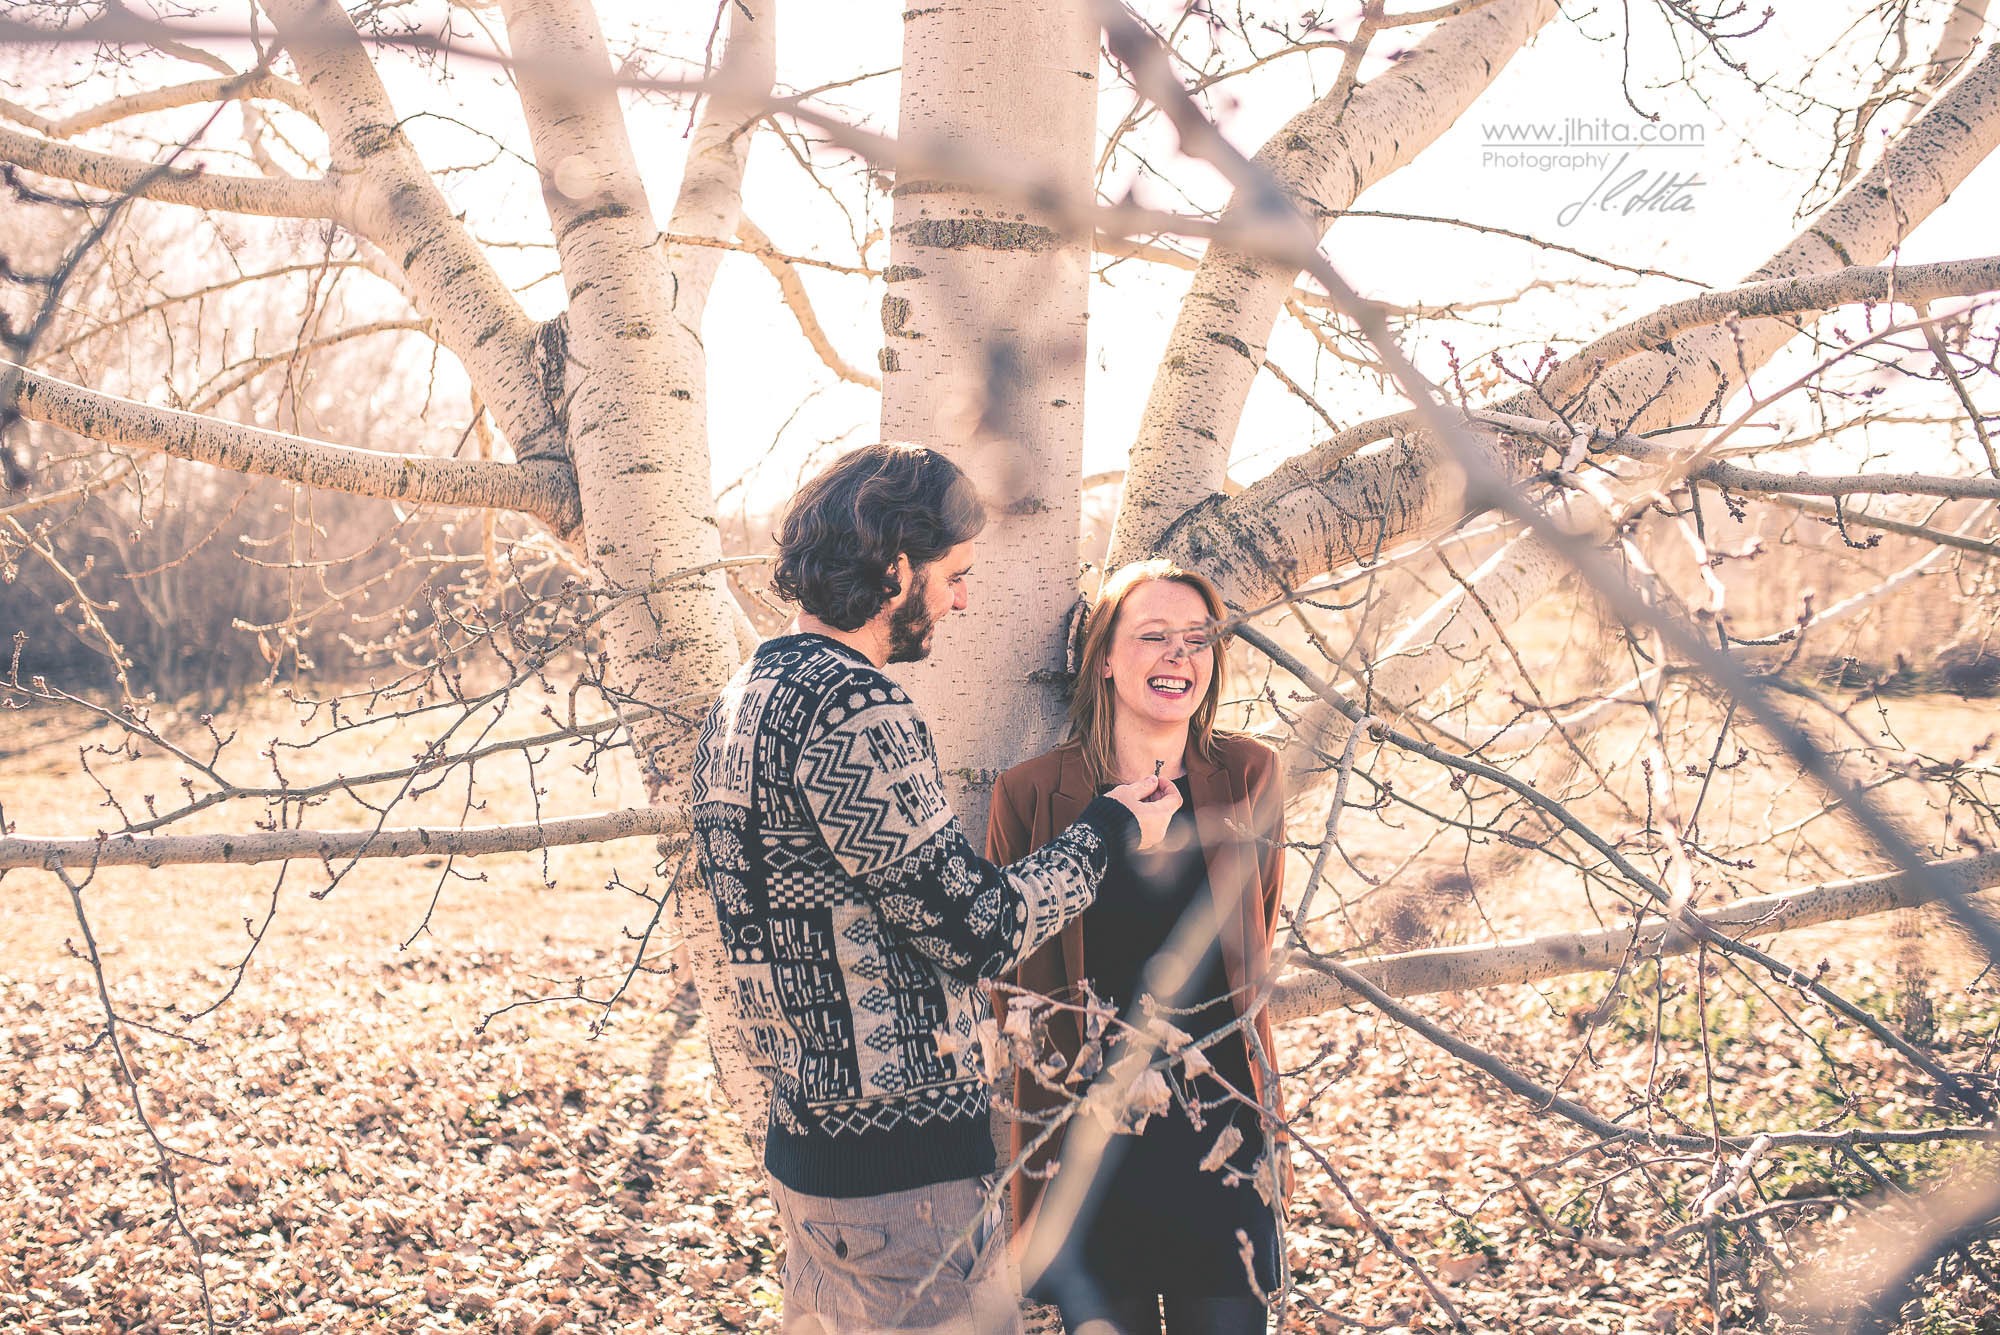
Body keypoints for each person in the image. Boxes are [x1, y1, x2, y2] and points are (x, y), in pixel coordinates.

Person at [690, 444, 1181, 1334]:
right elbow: (975, 930)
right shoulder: (854, 709)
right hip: (900, 1175)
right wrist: (1108, 828)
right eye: (955, 575)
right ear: (895, 569)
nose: (964, 599)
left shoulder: (744, 695)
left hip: (809, 1149)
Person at [987, 560, 1291, 1335]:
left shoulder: (1252, 775)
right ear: (1105, 658)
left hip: (1222, 1130)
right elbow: (1003, 969)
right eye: (1152, 635)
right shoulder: (1031, 794)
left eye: (1198, 639)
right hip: (1089, 1148)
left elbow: (1257, 923)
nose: (1178, 656)